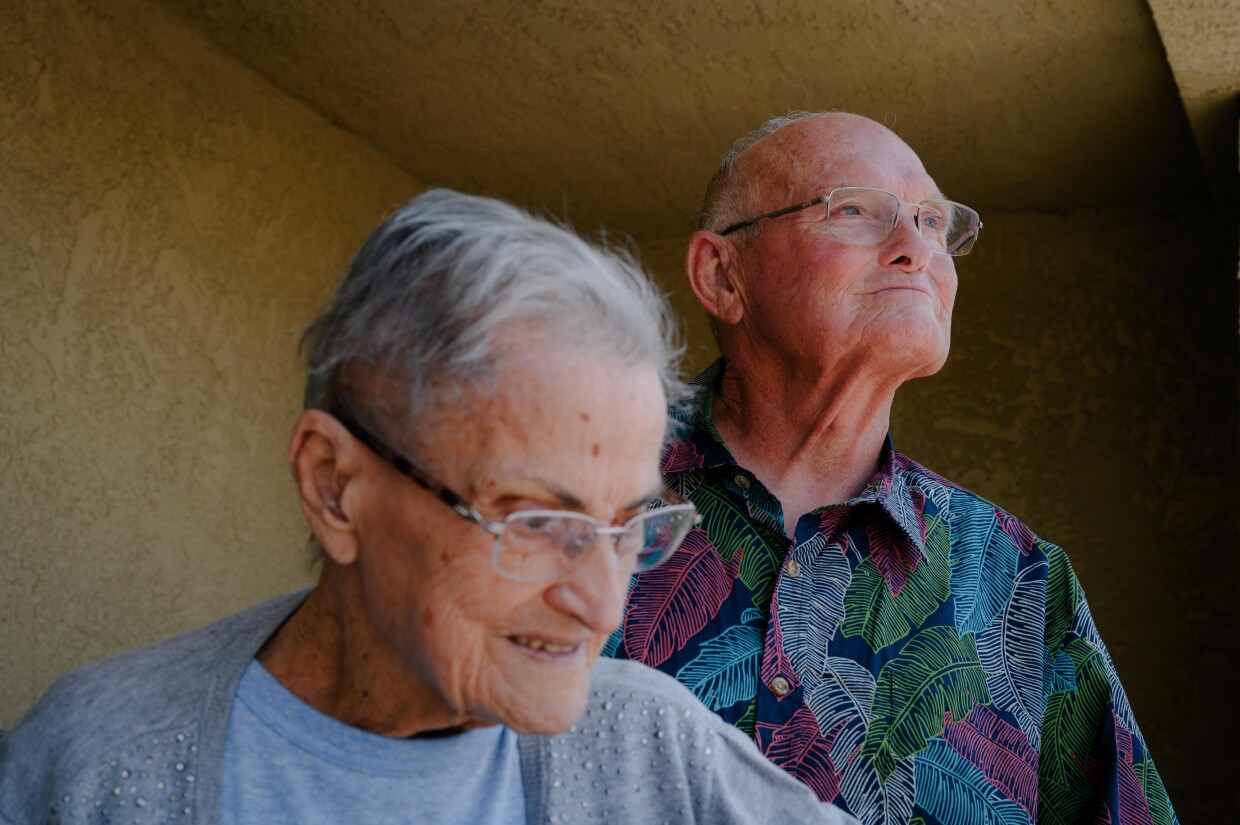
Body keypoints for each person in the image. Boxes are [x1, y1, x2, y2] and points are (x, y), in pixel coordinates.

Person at [0, 189, 856, 825]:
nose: (601, 605)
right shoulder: (95, 766)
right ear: (335, 486)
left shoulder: (654, 749)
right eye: (534, 523)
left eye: (629, 528)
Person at [606, 112, 1178, 825]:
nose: (917, 249)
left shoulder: (1020, 577)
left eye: (933, 222)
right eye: (854, 209)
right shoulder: (569, 497)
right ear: (722, 275)